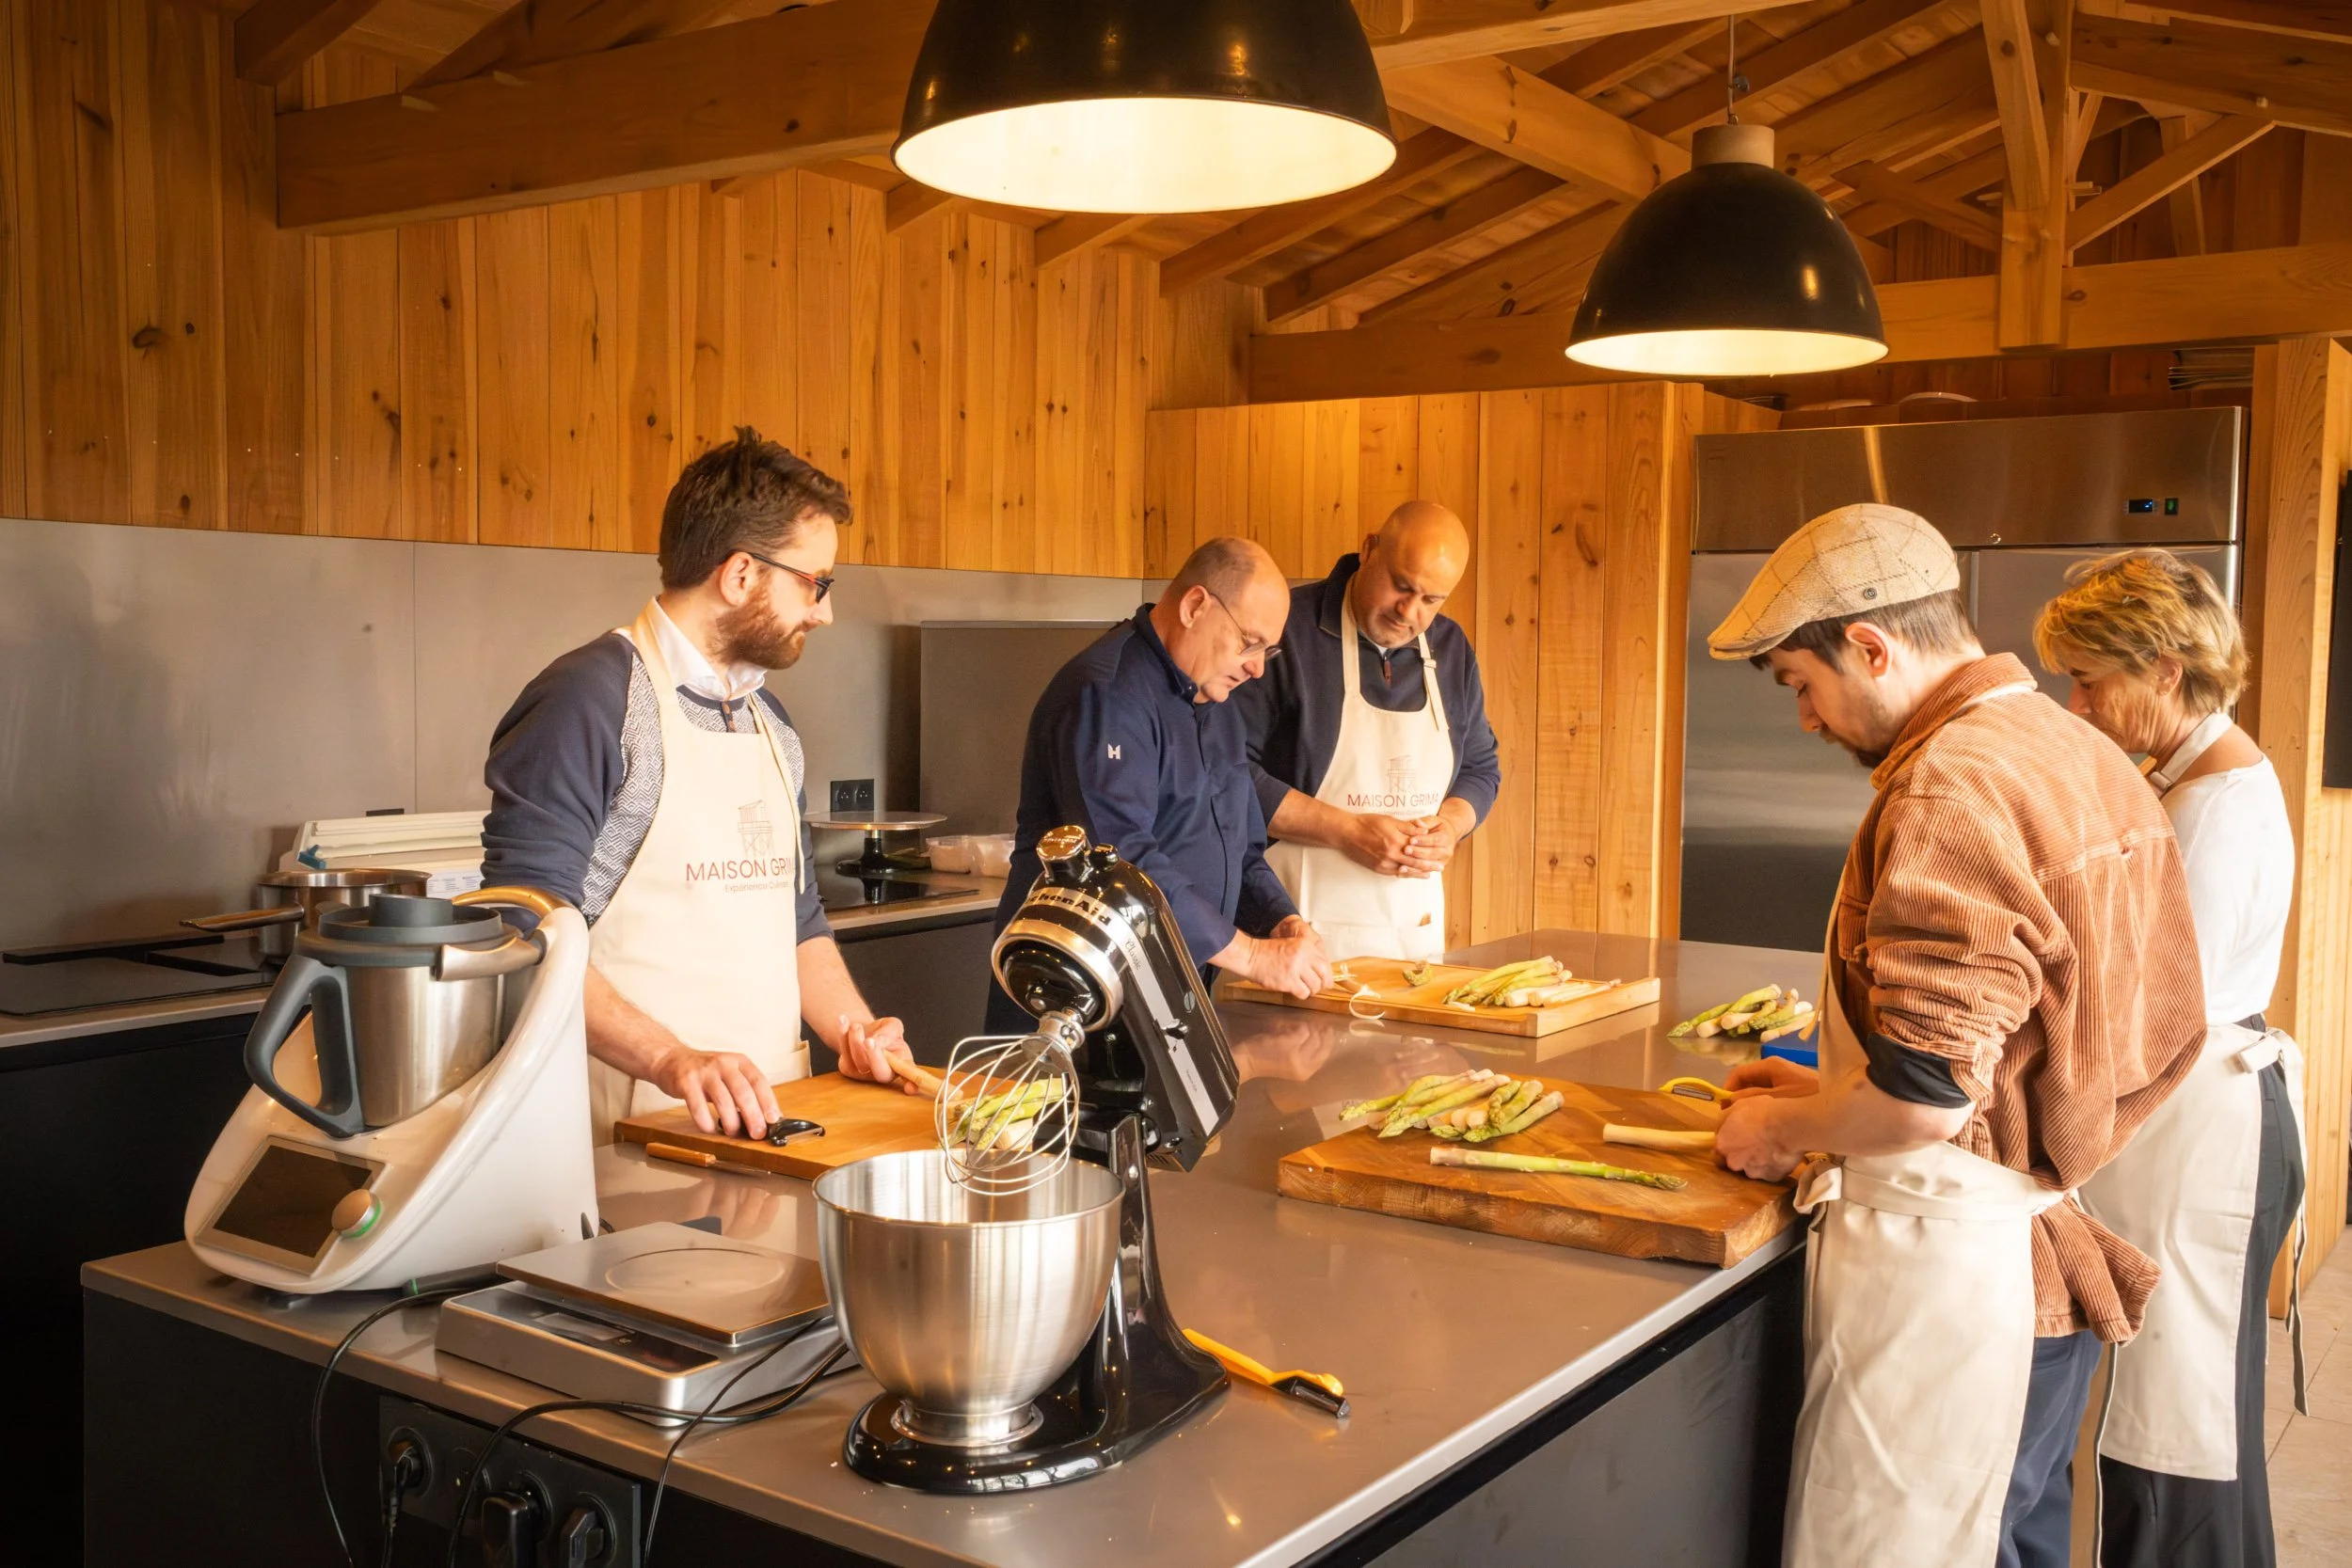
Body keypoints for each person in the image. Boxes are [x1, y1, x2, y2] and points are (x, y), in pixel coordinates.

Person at [1703, 504, 2206, 1568]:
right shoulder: (2075, 746)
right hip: (2032, 1261)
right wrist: (1811, 1080)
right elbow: (2042, 1022)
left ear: (1873, 646)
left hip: (1946, 1277)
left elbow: (1925, 1098)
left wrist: (1785, 1132)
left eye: (1803, 683)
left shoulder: (1950, 780)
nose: (1805, 717)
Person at [482, 427, 919, 1143]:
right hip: (622, 1130)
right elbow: (525, 931)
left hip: (771, 1126)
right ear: (742, 573)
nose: (825, 611)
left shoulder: (769, 722)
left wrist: (858, 1032)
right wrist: (672, 1060)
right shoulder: (588, 701)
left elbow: (797, 921)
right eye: (816, 584)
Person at [2035, 549, 2307, 1568]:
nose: (2075, 702)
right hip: (2199, 1124)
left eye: (2087, 678)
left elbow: (2136, 1002)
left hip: (2201, 1135)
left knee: (2170, 1433)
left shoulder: (2211, 810)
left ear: (2160, 666)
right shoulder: (2192, 773)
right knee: (2180, 1422)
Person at [986, 537, 1329, 1031]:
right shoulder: (1107, 695)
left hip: (1171, 990)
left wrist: (1281, 919)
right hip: (1079, 995)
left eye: (1268, 652)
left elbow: (1243, 848)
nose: (1256, 667)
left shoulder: (1219, 702)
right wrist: (1253, 957)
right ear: (1195, 606)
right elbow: (1124, 862)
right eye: (1249, 643)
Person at [1233, 501, 1502, 961]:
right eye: (1402, 586)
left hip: (1413, 948)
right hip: (1288, 942)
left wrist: (1451, 825)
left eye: (1431, 601)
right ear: (1369, 549)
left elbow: (1481, 767)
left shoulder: (1452, 648)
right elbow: (1226, 775)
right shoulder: (1286, 631)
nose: (1408, 612)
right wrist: (1347, 831)